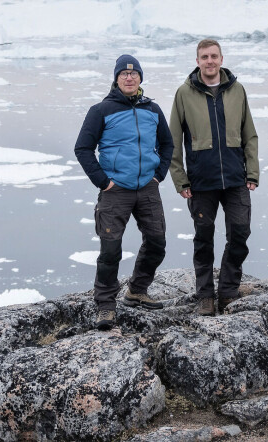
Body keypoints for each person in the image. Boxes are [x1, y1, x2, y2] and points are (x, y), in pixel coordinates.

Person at [75, 54, 175, 330]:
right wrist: (103, 181)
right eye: (124, 74)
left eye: (134, 74)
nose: (129, 77)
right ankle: (105, 305)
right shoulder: (101, 111)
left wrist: (158, 175)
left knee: (156, 242)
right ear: (116, 78)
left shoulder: (152, 110)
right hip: (115, 190)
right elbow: (83, 148)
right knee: (110, 249)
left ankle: (137, 290)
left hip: (147, 188)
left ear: (141, 78)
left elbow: (167, 145)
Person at [170, 39, 259, 316]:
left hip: (235, 178)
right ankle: (206, 295)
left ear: (221, 59)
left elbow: (250, 134)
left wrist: (252, 172)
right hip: (201, 182)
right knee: (204, 238)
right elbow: (173, 140)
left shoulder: (237, 90)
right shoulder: (184, 93)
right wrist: (180, 179)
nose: (209, 61)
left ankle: (229, 290)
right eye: (204, 57)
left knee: (240, 233)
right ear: (197, 61)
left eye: (213, 56)